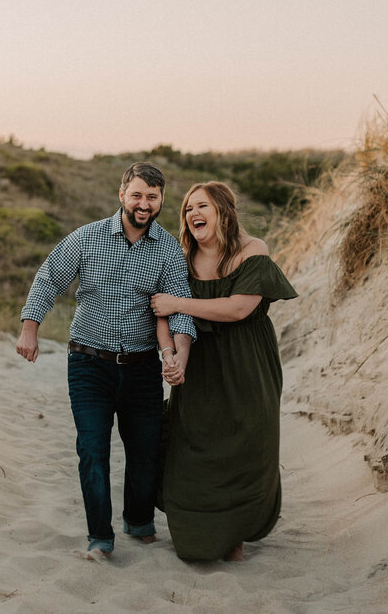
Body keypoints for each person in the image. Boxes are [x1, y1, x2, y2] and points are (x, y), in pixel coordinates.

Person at [16, 161, 195, 561]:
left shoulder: (168, 250)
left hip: (143, 366)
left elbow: (178, 307)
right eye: (137, 195)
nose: (144, 203)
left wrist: (179, 353)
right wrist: (30, 327)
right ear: (122, 195)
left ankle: (139, 521)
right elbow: (49, 278)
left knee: (145, 449)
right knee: (92, 450)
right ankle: (100, 536)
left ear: (162, 199)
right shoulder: (88, 237)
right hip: (88, 364)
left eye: (152, 196)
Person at [151, 181, 297, 562]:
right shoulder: (180, 259)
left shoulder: (253, 251)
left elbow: (237, 309)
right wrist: (171, 353)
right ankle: (197, 534)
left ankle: (235, 535)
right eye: (187, 209)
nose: (193, 214)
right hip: (199, 364)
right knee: (192, 446)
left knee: (245, 445)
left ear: (223, 212)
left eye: (202, 206)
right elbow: (162, 314)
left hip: (248, 363)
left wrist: (178, 302)